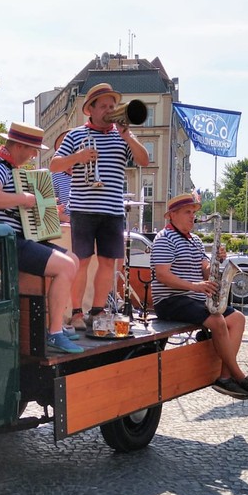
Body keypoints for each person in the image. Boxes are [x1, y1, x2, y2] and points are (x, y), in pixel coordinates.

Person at [50, 83, 149, 331]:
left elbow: (144, 160)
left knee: (107, 263)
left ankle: (97, 311)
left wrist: (128, 136)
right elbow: (54, 165)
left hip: (112, 210)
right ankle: (76, 313)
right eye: (104, 106)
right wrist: (78, 157)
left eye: (112, 106)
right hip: (83, 208)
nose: (110, 110)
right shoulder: (75, 135)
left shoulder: (122, 135)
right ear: (90, 110)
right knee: (81, 262)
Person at [151, 193, 248, 400]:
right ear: (172, 215)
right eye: (187, 212)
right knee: (217, 320)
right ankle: (239, 376)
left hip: (193, 298)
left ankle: (224, 377)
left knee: (238, 319)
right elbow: (162, 275)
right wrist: (195, 286)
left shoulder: (195, 240)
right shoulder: (164, 238)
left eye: (193, 212)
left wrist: (215, 261)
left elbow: (205, 271)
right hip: (170, 300)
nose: (193, 216)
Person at [0, 121, 82, 354]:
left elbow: (15, 207)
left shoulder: (10, 170)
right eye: (33, 150)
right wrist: (24, 199)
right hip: (6, 241)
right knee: (65, 267)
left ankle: (53, 324)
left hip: (18, 238)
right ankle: (54, 333)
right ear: (19, 146)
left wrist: (46, 208)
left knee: (73, 260)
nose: (34, 155)